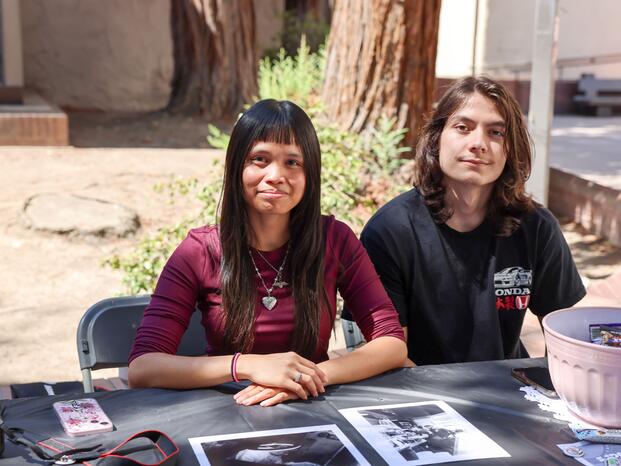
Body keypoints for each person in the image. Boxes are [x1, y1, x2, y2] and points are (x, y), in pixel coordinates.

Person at [128, 99, 407, 406]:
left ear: (309, 174)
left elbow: (391, 343)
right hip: (228, 412)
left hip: (312, 406)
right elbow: (144, 366)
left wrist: (306, 377)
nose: (276, 175)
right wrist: (247, 365)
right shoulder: (200, 250)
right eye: (260, 159)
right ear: (237, 168)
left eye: (292, 162)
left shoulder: (334, 239)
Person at [354, 76, 586, 365]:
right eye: (463, 128)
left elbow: (565, 338)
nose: (478, 143)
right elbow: (386, 353)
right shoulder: (390, 231)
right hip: (420, 396)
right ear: (436, 139)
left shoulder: (537, 228)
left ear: (511, 149)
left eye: (496, 133)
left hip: (508, 391)